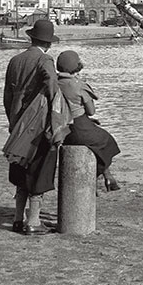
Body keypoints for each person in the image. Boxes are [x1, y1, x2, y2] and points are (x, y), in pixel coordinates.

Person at [2, 19, 66, 236]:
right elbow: (52, 85)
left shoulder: (15, 60)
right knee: (39, 171)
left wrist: (13, 120)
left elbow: (7, 96)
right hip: (37, 126)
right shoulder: (45, 59)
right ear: (48, 43)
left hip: (17, 123)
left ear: (32, 37)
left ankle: (18, 219)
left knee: (19, 172)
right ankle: (34, 221)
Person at [55, 50, 121, 192]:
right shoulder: (79, 85)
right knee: (105, 140)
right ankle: (103, 175)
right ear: (76, 67)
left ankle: (107, 176)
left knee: (93, 138)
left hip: (62, 130)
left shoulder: (53, 83)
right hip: (79, 127)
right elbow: (91, 111)